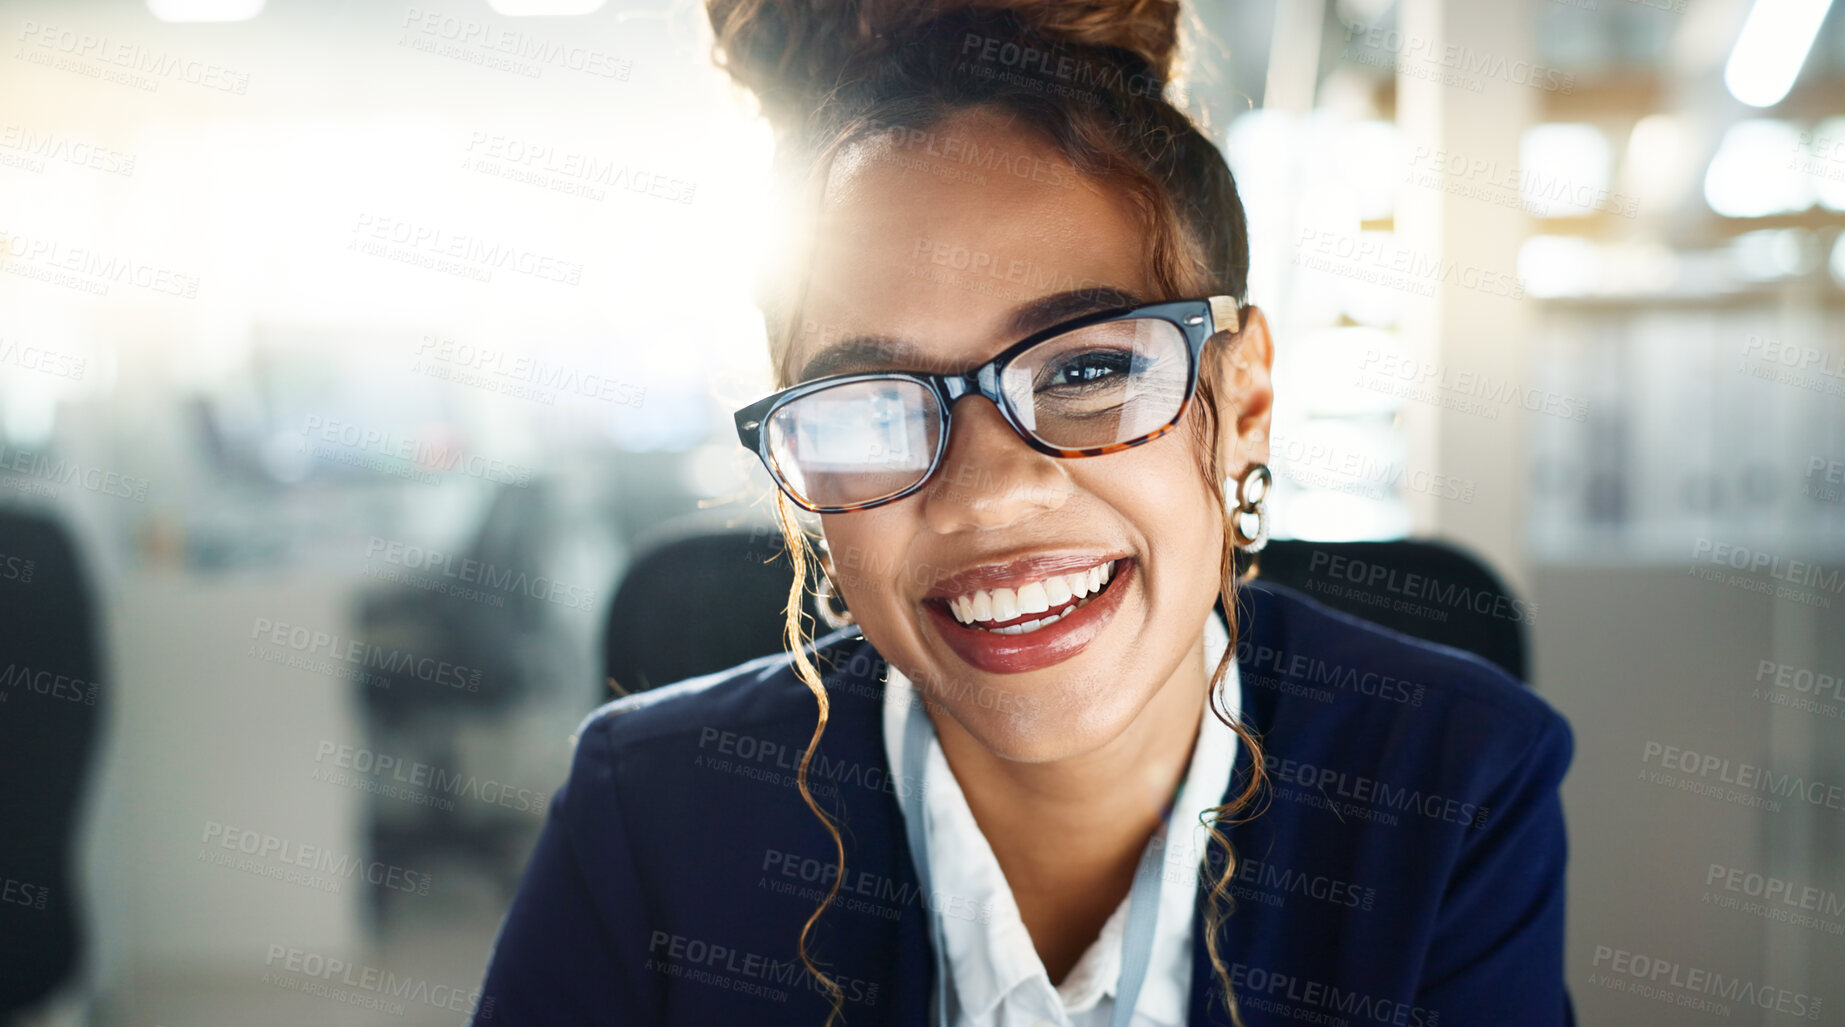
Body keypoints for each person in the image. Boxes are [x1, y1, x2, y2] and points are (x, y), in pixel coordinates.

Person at [471, 1, 1576, 1024]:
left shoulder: (1456, 777)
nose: (992, 491)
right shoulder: (647, 811)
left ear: (1243, 401)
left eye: (1090, 368)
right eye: (871, 405)